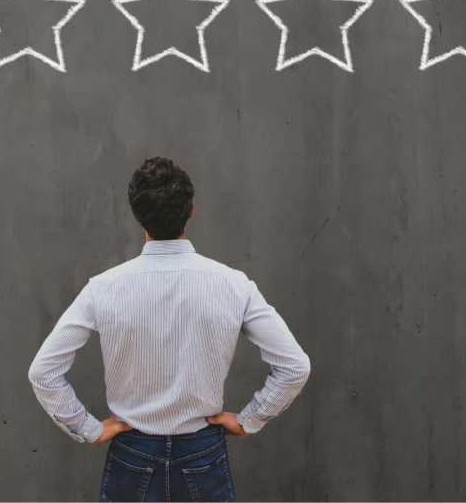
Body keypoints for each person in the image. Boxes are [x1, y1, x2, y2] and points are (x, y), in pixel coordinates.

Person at [28, 157, 311, 502]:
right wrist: (250, 419)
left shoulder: (103, 288)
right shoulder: (234, 285)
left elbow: (43, 372)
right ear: (190, 211)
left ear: (136, 216)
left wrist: (87, 428)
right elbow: (294, 367)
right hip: (202, 453)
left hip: (132, 455)